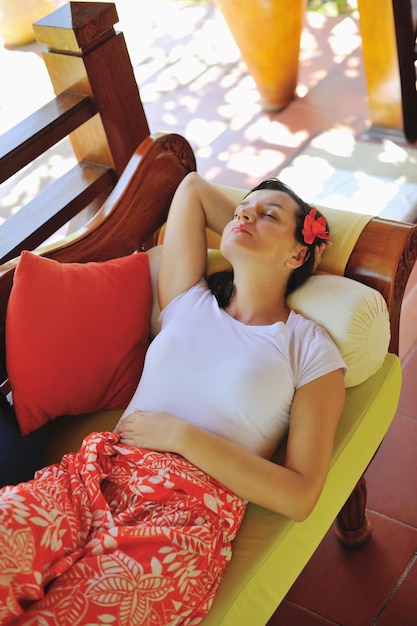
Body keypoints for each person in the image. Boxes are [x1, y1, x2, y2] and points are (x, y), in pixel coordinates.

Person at [0, 174, 345, 625]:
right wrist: (261, 226)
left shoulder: (311, 349)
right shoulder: (189, 300)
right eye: (243, 208)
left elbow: (300, 495)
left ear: (298, 254)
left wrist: (181, 436)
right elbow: (192, 188)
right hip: (93, 474)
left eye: (268, 214)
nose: (244, 215)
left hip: (183, 519)